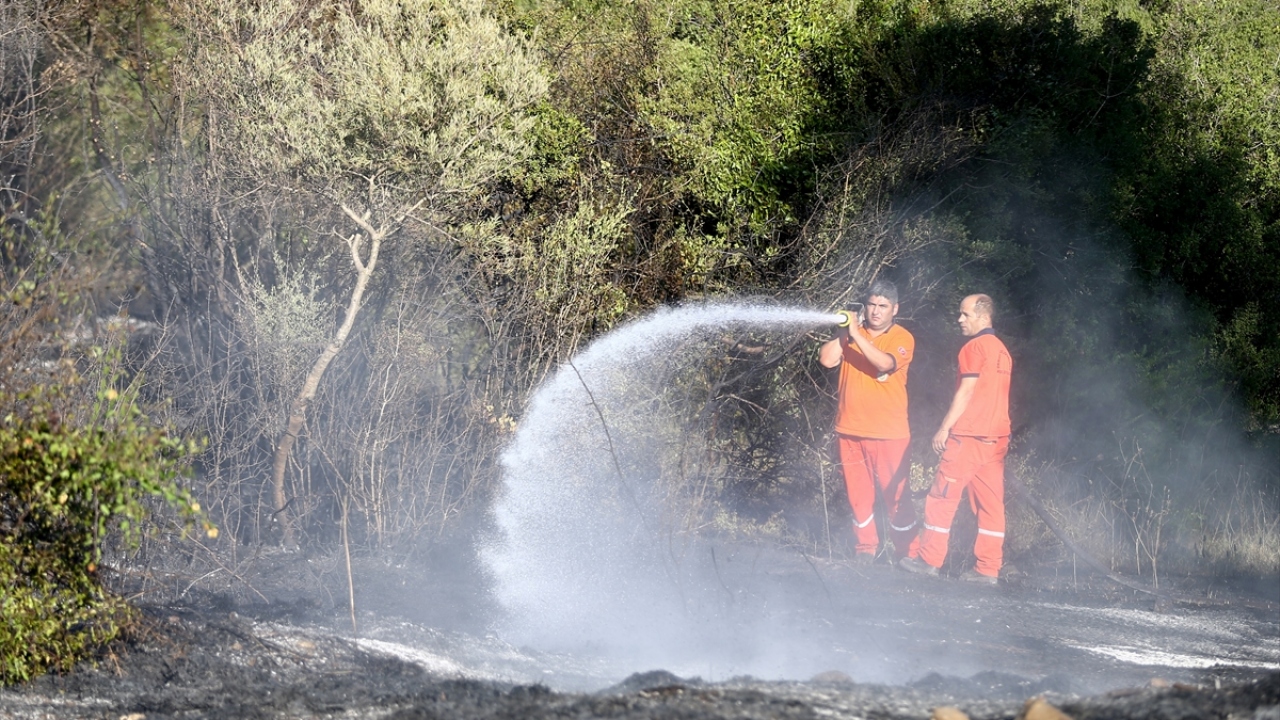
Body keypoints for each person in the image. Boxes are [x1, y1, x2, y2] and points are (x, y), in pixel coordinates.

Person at [899, 294, 1012, 584]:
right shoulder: (1002, 351)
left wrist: (944, 428)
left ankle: (928, 561)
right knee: (991, 505)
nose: (959, 320)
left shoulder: (974, 347)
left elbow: (967, 391)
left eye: (965, 315)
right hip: (996, 439)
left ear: (983, 317)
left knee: (941, 498)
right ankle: (988, 569)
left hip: (968, 437)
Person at [819, 280, 917, 564]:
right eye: (872, 305)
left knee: (896, 496)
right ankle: (865, 548)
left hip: (889, 433)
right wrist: (843, 333)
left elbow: (885, 364)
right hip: (849, 429)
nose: (876, 311)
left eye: (883, 306)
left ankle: (908, 553)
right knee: (858, 495)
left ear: (894, 309)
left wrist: (856, 335)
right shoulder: (851, 334)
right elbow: (826, 360)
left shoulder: (902, 337)